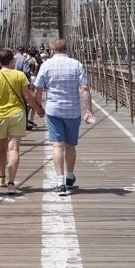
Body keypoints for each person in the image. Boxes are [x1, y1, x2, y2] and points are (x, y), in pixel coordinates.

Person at [30, 37, 93, 196]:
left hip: (53, 111)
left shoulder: (46, 65)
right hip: (73, 111)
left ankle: (59, 182)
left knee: (57, 146)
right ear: (67, 49)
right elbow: (84, 89)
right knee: (70, 146)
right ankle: (70, 177)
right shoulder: (76, 64)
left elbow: (37, 89)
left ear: (52, 50)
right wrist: (89, 110)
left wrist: (38, 108)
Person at [0, 47, 33, 191]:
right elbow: (27, 96)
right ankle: (11, 183)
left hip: (0, 115)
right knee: (14, 149)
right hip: (17, 114)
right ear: (12, 61)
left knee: (1, 149)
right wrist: (39, 108)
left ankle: (2, 177)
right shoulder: (20, 75)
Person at [13, 45, 38, 129]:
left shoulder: (11, 58)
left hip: (10, 82)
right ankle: (24, 124)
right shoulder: (24, 59)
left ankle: (13, 123)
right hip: (21, 83)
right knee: (24, 103)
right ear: (23, 50)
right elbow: (26, 71)